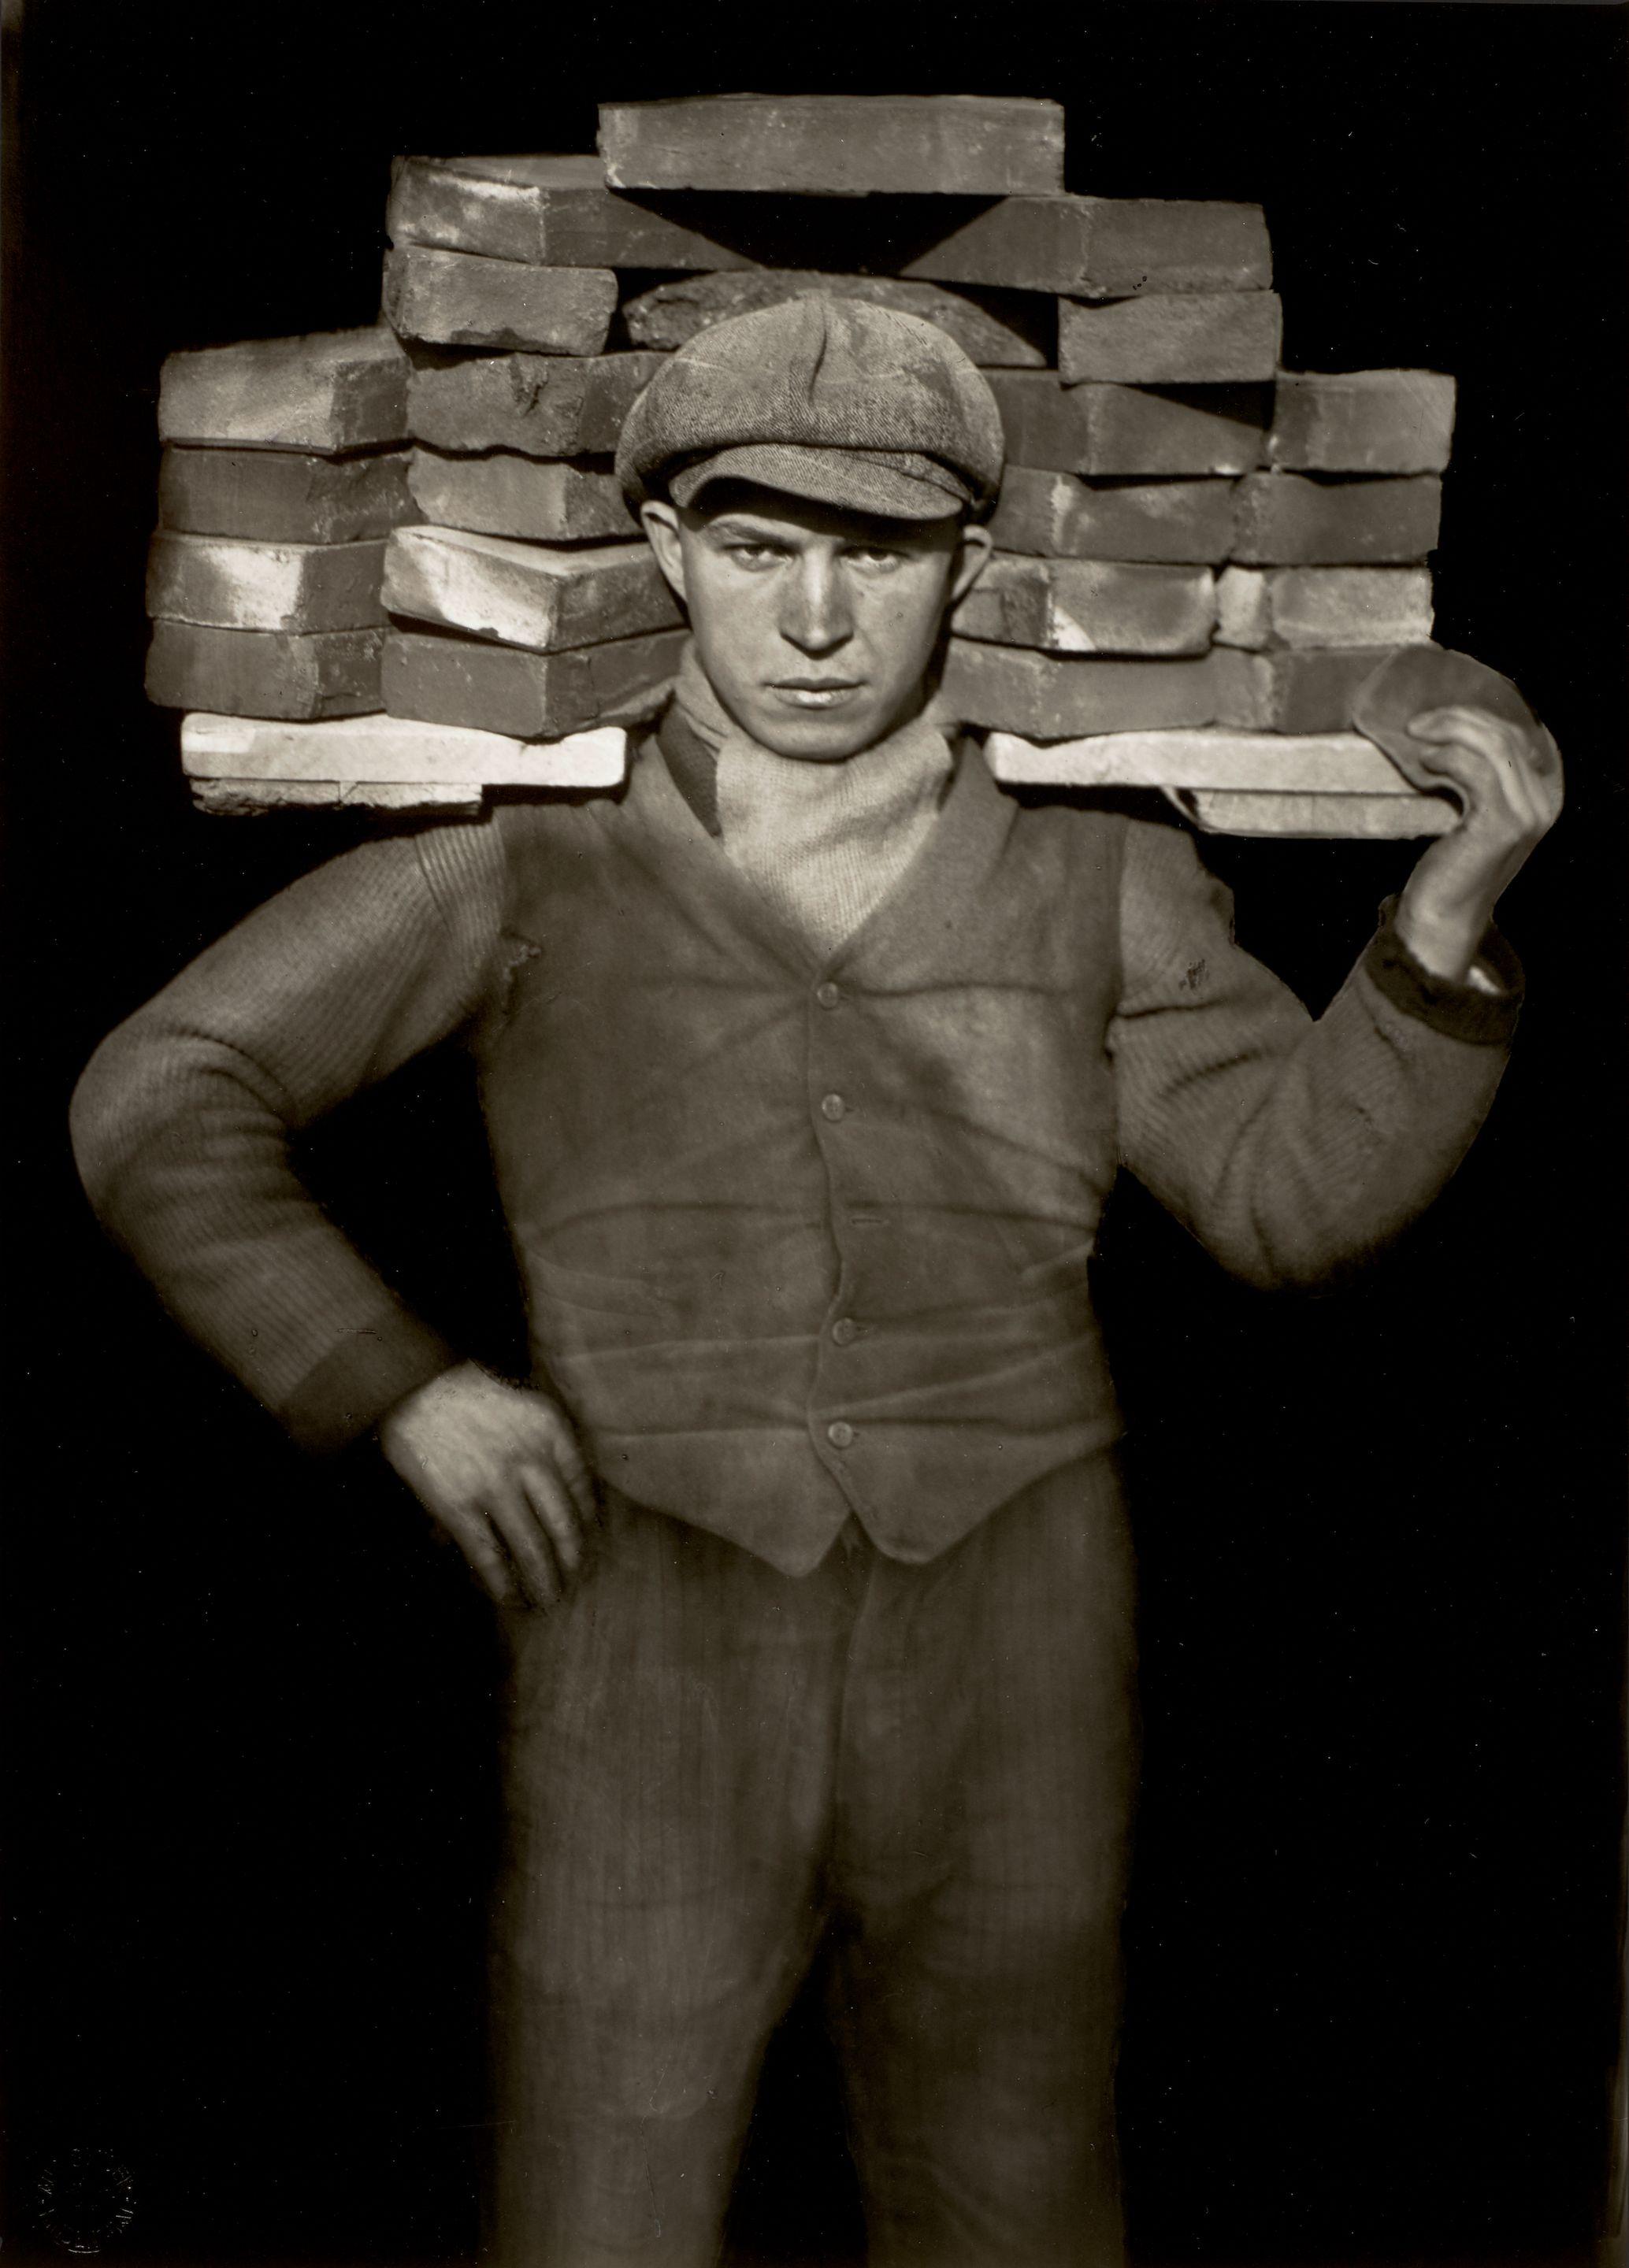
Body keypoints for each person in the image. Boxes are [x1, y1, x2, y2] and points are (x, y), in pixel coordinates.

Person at [71, 297, 1562, 2268]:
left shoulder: (1097, 876)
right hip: (648, 1625)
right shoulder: (529, 861)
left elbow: (1291, 1205)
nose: (813, 621)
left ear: (968, 566)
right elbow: (159, 1091)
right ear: (666, 550)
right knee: (601, 2203)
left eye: (877, 555)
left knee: (1014, 2201)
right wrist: (394, 1383)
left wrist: (1435, 932)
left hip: (1014, 1628)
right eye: (758, 547)